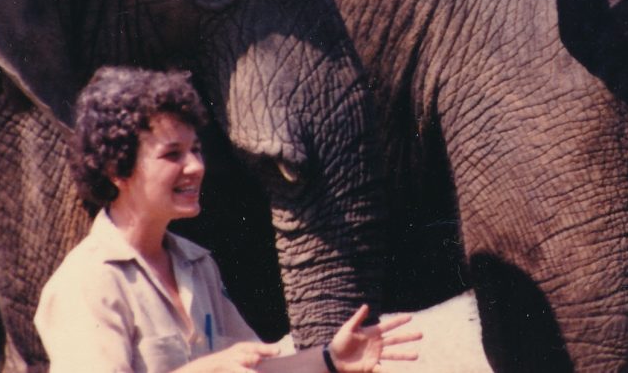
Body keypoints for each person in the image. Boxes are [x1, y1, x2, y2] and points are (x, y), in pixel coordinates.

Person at [35, 66, 420, 372]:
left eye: (197, 150)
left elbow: (255, 367)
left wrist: (330, 360)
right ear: (117, 170)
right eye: (173, 155)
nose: (196, 167)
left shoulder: (197, 264)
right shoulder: (85, 284)